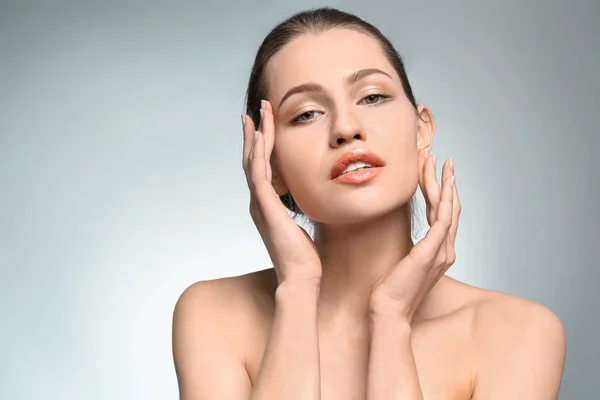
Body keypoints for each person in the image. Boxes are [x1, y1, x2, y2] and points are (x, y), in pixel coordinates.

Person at [172, 7, 566, 400]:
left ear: (421, 129)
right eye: (307, 113)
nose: (346, 128)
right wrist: (297, 289)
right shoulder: (215, 315)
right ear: (270, 163)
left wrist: (391, 319)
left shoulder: (518, 331)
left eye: (373, 96)